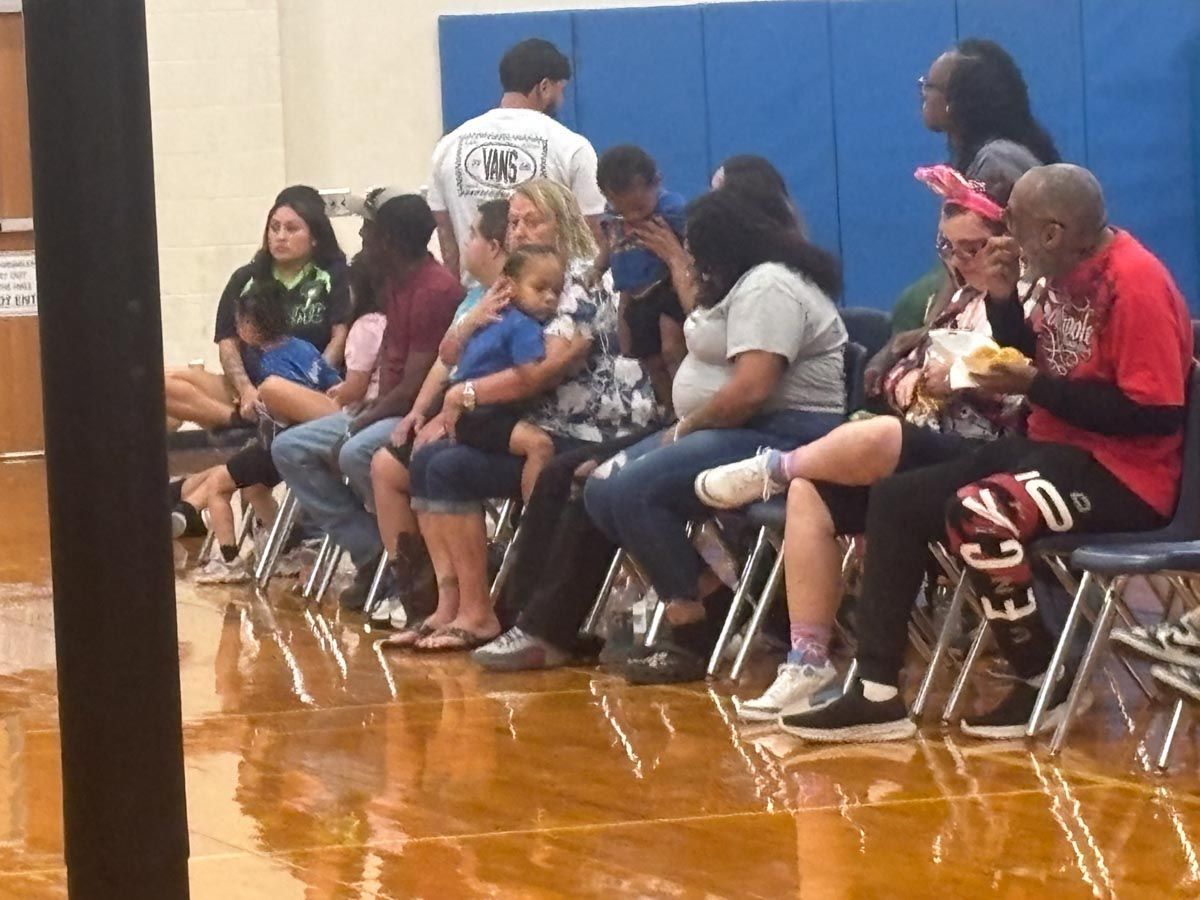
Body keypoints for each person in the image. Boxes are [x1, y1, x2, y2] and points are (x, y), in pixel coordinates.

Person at [779, 165, 1192, 742]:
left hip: (1124, 475)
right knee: (897, 498)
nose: (1006, 240)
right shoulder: (1063, 269)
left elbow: (1156, 414)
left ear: (1052, 232)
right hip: (1052, 450)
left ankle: (1044, 679)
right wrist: (1003, 304)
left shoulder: (1135, 283)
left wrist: (1034, 387)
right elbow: (1035, 362)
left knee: (978, 513)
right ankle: (876, 692)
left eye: (1014, 226)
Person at [695, 166, 1029, 719]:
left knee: (884, 434)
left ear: (1004, 241)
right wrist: (922, 376)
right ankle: (807, 660)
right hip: (928, 450)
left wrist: (951, 379)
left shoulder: (1022, 292)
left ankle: (769, 468)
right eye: (948, 246)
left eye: (973, 247)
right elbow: (907, 382)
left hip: (995, 458)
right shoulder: (947, 300)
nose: (959, 259)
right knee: (812, 492)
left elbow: (1017, 382)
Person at [582, 186, 848, 685]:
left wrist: (685, 427)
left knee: (634, 488)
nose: (697, 265)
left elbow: (751, 389)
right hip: (742, 428)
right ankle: (717, 598)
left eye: (699, 254)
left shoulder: (771, 286)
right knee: (600, 485)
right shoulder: (745, 284)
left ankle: (691, 634)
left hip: (791, 434)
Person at [378, 179, 658, 652]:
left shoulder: (579, 281)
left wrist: (463, 395)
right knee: (425, 462)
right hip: (535, 421)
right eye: (513, 221)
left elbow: (542, 372)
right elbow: (449, 353)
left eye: (534, 219)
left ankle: (481, 614)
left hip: (591, 427)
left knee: (449, 466)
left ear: (564, 223)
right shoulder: (506, 283)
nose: (521, 230)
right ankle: (453, 606)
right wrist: (471, 322)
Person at [270, 194, 464, 609]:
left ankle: (413, 563)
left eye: (369, 230)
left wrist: (363, 419)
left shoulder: (434, 290)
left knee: (357, 452)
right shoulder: (393, 281)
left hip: (418, 413)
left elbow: (414, 387)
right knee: (288, 448)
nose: (361, 236)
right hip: (383, 406)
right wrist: (360, 408)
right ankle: (373, 552)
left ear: (389, 240)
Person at [368, 199, 511, 627]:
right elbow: (445, 359)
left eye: (472, 236)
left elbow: (501, 372)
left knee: (427, 463)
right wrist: (417, 412)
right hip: (450, 406)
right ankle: (425, 592)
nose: (464, 243)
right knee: (387, 466)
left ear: (495, 246)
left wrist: (447, 412)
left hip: (484, 410)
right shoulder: (472, 298)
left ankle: (466, 598)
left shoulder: (511, 295)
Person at [896, 39, 1061, 333]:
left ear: (956, 102)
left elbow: (989, 268)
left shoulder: (997, 161)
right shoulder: (982, 155)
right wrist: (931, 329)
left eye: (928, 85)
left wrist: (933, 332)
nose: (922, 92)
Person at [188, 283, 342, 584]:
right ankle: (288, 548)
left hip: (282, 444)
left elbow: (283, 410)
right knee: (254, 489)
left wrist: (252, 409)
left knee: (217, 486)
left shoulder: (269, 363)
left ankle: (229, 562)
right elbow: (332, 384)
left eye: (240, 322)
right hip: (317, 437)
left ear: (249, 326)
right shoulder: (304, 347)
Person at [164, 186, 349, 431]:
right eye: (274, 228)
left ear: (315, 237)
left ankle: (258, 418)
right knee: (165, 382)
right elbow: (227, 341)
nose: (281, 236)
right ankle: (238, 420)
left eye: (292, 229)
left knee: (277, 391)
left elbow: (340, 336)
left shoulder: (333, 276)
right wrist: (246, 389)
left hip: (310, 388)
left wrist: (307, 385)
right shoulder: (246, 277)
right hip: (251, 387)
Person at [428, 38, 605, 280]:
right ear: (544, 87)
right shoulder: (571, 147)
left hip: (476, 300)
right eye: (560, 90)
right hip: (546, 299)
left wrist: (462, 308)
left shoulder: (448, 146)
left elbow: (447, 242)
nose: (561, 100)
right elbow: (590, 237)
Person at [441, 245, 564, 501]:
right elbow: (532, 375)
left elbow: (449, 355)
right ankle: (534, 518)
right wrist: (569, 356)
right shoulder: (523, 325)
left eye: (557, 290)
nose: (551, 298)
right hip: (480, 414)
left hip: (468, 410)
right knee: (540, 446)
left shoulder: (491, 315)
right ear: (509, 286)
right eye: (540, 288)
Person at [593, 144, 688, 408]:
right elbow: (608, 246)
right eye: (624, 209)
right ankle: (668, 408)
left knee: (671, 348)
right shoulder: (613, 216)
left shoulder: (672, 210)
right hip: (634, 296)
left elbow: (694, 246)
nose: (632, 216)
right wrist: (597, 269)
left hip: (666, 287)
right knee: (648, 358)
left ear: (656, 182)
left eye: (638, 207)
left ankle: (687, 404)